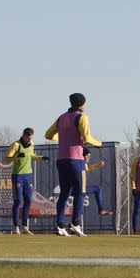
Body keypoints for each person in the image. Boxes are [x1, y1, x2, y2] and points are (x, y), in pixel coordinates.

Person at [45, 93, 102, 237]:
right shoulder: (82, 117)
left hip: (61, 160)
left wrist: (63, 138)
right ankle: (75, 224)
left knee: (64, 193)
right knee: (80, 193)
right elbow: (86, 137)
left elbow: (48, 135)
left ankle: (60, 225)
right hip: (76, 160)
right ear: (82, 104)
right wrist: (99, 143)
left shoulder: (62, 117)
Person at [6, 127, 49, 235]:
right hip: (18, 176)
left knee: (28, 201)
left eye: (31, 138)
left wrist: (40, 158)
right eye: (28, 138)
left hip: (28, 176)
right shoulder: (16, 145)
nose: (29, 140)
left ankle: (24, 226)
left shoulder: (32, 144)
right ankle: (15, 226)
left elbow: (31, 156)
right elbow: (7, 157)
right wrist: (17, 156)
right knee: (18, 201)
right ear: (24, 136)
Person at [83, 147, 114, 217]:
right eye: (87, 156)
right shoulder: (80, 163)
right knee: (97, 189)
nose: (89, 158)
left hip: (83, 189)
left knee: (98, 189)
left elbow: (88, 168)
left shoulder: (84, 164)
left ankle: (101, 210)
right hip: (78, 189)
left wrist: (97, 165)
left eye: (90, 156)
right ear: (83, 156)